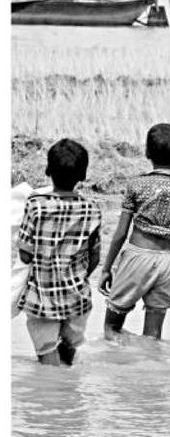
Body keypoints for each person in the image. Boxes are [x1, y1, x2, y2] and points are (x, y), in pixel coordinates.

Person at [98, 124, 170, 341]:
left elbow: (120, 234)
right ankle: (147, 362)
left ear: (147, 152)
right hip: (167, 262)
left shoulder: (137, 185)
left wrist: (106, 269)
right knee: (153, 337)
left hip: (137, 257)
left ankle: (119, 358)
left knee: (111, 328)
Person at [15, 139, 102, 366]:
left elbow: (25, 254)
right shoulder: (92, 209)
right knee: (68, 354)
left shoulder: (35, 206)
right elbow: (95, 257)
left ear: (47, 171)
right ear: (83, 175)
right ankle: (68, 385)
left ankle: (55, 387)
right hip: (77, 299)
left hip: (41, 300)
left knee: (48, 359)